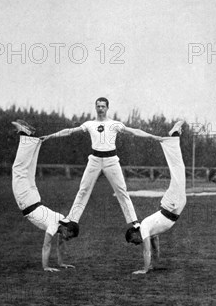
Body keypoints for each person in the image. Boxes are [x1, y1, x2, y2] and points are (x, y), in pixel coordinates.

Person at [40, 97, 165, 230]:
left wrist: (153, 137)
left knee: (122, 191)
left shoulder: (115, 124)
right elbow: (70, 131)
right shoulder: (89, 124)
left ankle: (134, 221)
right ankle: (72, 219)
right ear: (95, 107)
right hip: (94, 160)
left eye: (103, 106)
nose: (100, 109)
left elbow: (134, 131)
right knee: (83, 189)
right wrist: (49, 136)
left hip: (111, 160)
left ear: (107, 108)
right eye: (98, 106)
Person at [11, 120, 80, 272]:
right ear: (67, 230)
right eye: (69, 236)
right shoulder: (55, 225)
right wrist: (46, 267)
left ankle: (34, 141)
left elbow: (60, 244)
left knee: (29, 172)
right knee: (19, 170)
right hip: (28, 202)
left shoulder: (63, 220)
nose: (66, 238)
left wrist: (61, 264)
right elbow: (46, 245)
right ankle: (25, 135)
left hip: (35, 198)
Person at [125, 122, 187, 274]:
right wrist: (156, 263)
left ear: (135, 233)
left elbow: (147, 250)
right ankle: (173, 138)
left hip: (171, 205)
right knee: (179, 170)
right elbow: (155, 245)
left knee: (178, 170)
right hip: (174, 206)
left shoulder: (144, 227)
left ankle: (172, 138)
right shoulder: (149, 230)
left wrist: (145, 269)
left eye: (134, 241)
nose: (136, 243)